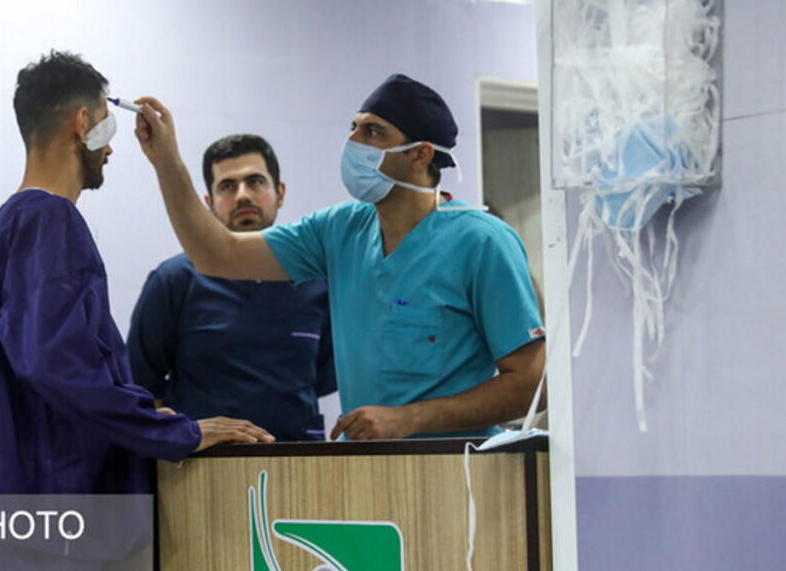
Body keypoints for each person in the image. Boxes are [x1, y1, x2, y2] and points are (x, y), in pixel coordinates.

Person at [0, 51, 273, 571]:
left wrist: (141, 413)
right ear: (82, 123)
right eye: (107, 124)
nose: (112, 147)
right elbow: (55, 364)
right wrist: (172, 431)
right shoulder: (52, 223)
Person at [133, 73, 545, 440]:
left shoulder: (482, 242)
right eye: (353, 128)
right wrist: (166, 160)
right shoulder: (340, 231)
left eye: (373, 132)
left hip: (453, 474)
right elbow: (217, 254)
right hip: (356, 470)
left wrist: (411, 418)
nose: (353, 142)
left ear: (420, 155)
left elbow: (532, 384)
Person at [127, 134, 336, 441]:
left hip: (298, 459)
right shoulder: (175, 280)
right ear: (208, 204)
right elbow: (141, 385)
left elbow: (325, 377)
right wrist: (175, 442)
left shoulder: (318, 283)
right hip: (202, 463)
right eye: (227, 186)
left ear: (280, 193)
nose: (242, 195)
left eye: (255, 182)